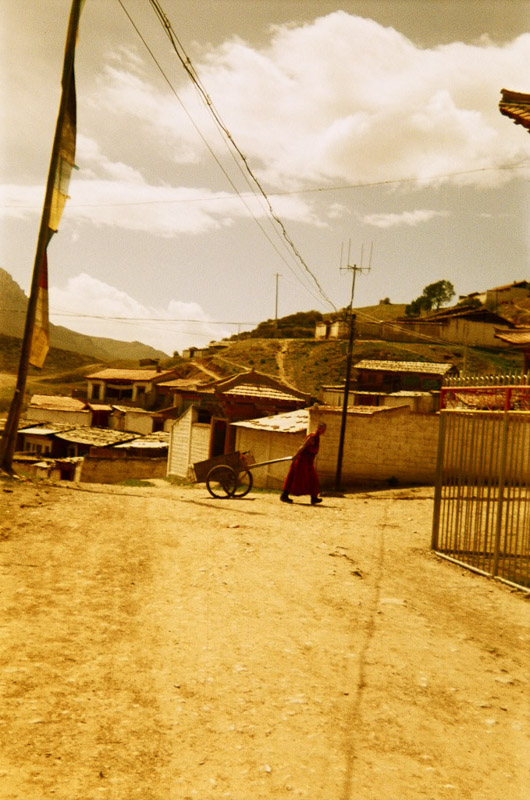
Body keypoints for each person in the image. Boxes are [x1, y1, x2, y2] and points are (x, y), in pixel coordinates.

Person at [280, 422, 327, 505]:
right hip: (302, 460)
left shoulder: (317, 437)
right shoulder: (312, 437)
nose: (323, 431)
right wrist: (296, 455)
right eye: (322, 429)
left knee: (313, 479)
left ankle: (314, 498)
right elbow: (303, 446)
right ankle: (284, 495)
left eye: (324, 430)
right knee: (295, 477)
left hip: (308, 462)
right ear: (318, 428)